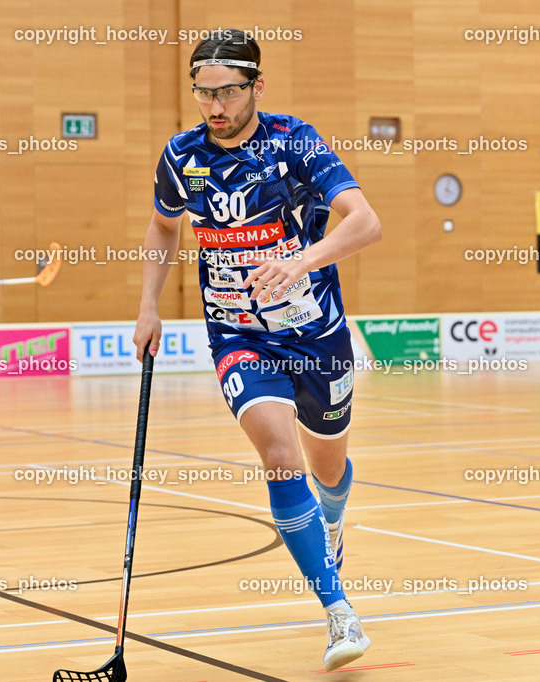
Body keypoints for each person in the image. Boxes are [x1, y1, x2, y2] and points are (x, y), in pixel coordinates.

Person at [132, 29, 382, 672]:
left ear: (257, 87)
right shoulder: (181, 156)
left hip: (316, 334)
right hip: (237, 334)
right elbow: (163, 226)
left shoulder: (295, 142)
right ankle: (338, 609)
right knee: (278, 455)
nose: (214, 106)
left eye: (227, 92)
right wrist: (149, 305)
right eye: (203, 93)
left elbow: (365, 222)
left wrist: (302, 261)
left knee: (329, 468)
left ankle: (332, 523)